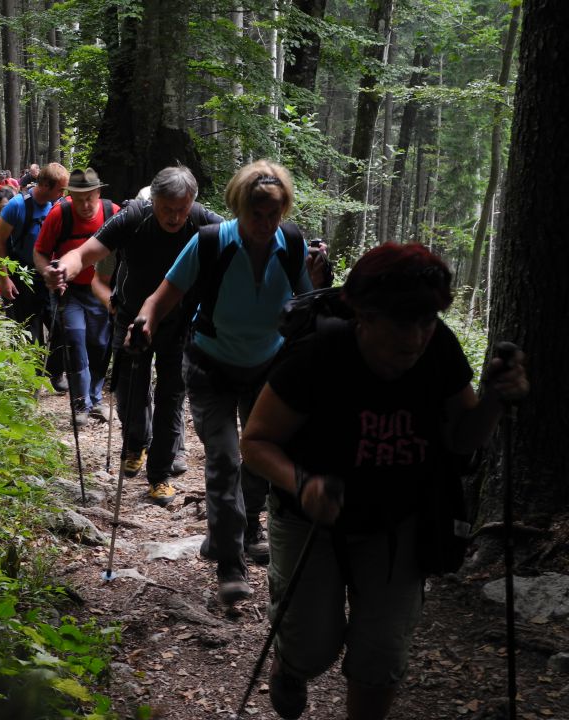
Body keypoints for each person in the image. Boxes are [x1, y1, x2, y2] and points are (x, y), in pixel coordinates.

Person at [239, 243, 528, 720]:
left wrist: (495, 399)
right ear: (364, 316)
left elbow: (461, 438)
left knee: (382, 655)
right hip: (313, 518)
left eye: (426, 321)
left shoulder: (440, 350)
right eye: (400, 323)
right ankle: (289, 666)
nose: (414, 339)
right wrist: (304, 483)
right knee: (311, 647)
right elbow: (256, 441)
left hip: (400, 520)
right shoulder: (319, 354)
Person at [129, 160, 313, 603]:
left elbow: (306, 305)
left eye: (274, 215)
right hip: (211, 364)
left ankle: (244, 528)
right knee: (226, 457)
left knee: (259, 457)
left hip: (267, 365)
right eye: (257, 215)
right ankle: (231, 562)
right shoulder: (210, 242)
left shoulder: (290, 244)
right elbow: (162, 296)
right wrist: (144, 322)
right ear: (238, 208)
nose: (266, 224)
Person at [45, 166, 223, 507]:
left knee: (171, 395)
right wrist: (63, 269)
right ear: (153, 200)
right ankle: (135, 443)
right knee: (128, 392)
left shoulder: (202, 220)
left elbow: (242, 239)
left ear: (192, 203)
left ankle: (160, 476)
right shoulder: (134, 217)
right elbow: (85, 253)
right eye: (167, 208)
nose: (174, 217)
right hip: (129, 318)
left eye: (181, 209)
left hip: (179, 322)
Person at [34, 169, 118, 426]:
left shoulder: (112, 213)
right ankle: (80, 402)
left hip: (102, 290)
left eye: (89, 198)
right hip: (69, 292)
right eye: (78, 199)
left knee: (100, 345)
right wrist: (49, 272)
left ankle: (95, 399)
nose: (84, 205)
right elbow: (40, 252)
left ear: (98, 193)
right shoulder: (60, 214)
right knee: (75, 339)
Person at [0, 163, 70, 384]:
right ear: (45, 184)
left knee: (60, 326)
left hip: (49, 275)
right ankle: (30, 379)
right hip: (22, 274)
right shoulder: (16, 206)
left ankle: (55, 373)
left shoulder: (56, 205)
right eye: (59, 189)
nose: (62, 194)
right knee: (30, 329)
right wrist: (4, 278)